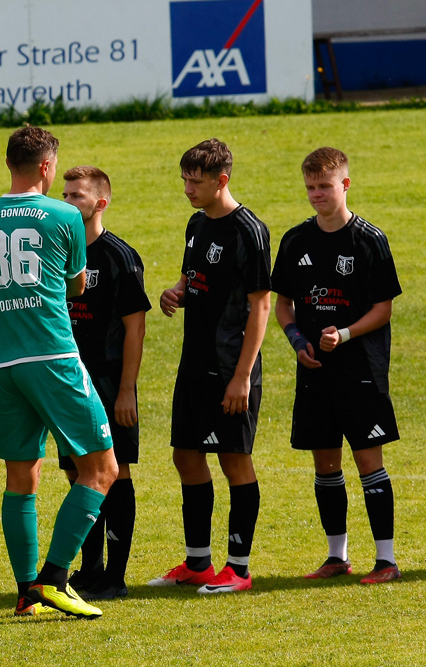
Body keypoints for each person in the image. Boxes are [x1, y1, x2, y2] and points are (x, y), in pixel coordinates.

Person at [0, 126, 118, 619]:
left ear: (10, 163)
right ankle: (55, 579)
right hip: (55, 357)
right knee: (102, 469)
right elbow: (77, 288)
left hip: (5, 365)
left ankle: (26, 594)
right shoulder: (66, 215)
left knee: (21, 476)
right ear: (47, 167)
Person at [271, 147, 402, 584]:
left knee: (369, 462)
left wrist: (342, 335)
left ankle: (386, 560)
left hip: (361, 370)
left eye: (324, 186)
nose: (316, 195)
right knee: (324, 464)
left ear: (344, 185)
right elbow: (283, 304)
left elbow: (383, 309)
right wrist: (296, 340)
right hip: (314, 372)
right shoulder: (295, 241)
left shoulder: (369, 240)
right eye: (309, 187)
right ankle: (337, 556)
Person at [152, 138, 270, 594]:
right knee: (186, 455)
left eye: (195, 182)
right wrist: (174, 292)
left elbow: (261, 307)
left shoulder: (249, 231)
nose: (187, 189)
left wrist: (242, 376)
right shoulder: (196, 224)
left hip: (230, 367)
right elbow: (191, 277)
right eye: (184, 179)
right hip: (193, 362)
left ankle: (238, 569)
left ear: (222, 180)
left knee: (234, 461)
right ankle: (198, 563)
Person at [58, 166, 150, 601]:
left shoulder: (120, 257)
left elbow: (136, 327)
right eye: (65, 193)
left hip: (110, 385)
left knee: (117, 472)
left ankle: (116, 574)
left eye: (77, 195)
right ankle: (88, 568)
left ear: (100, 203)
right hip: (67, 382)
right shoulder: (58, 252)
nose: (68, 200)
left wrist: (127, 389)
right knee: (79, 473)